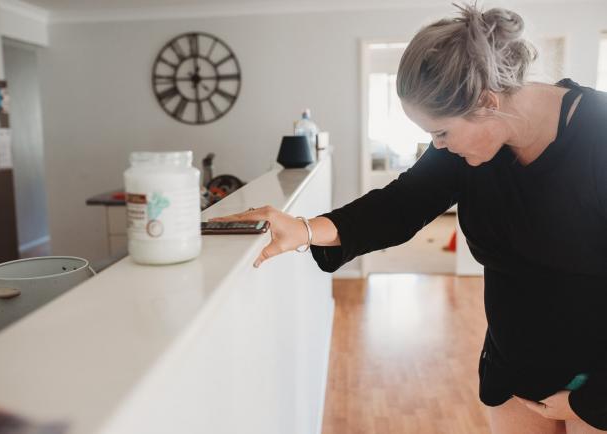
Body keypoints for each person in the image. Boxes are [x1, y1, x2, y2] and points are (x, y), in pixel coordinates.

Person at [210, 3, 607, 433]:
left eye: (441, 132)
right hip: (514, 368)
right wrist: (304, 229)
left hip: (594, 376)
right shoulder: (471, 144)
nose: (437, 146)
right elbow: (401, 204)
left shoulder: (598, 136)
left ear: (488, 102)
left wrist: (591, 400)